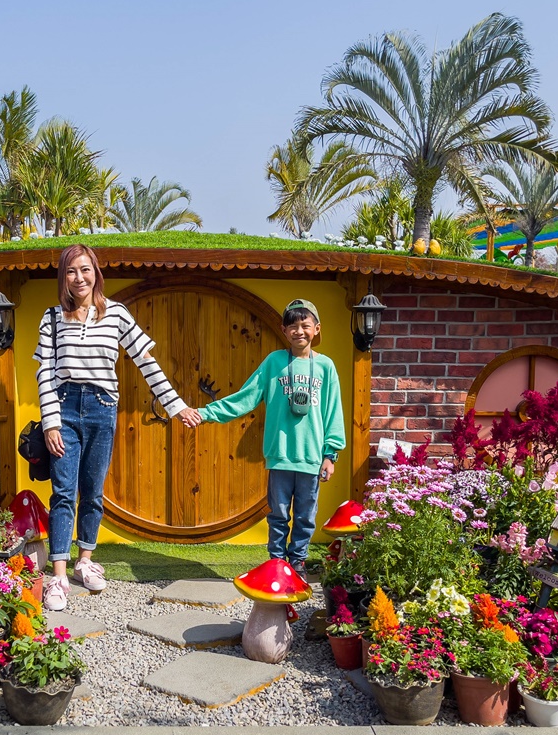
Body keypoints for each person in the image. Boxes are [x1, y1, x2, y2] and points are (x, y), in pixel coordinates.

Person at [34, 243, 201, 611]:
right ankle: (59, 577)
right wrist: (50, 422)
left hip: (102, 408)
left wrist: (176, 406)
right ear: (64, 277)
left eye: (85, 269)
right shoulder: (51, 318)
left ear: (96, 272)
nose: (79, 278)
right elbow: (44, 371)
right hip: (63, 409)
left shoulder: (118, 314)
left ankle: (85, 561)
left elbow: (147, 363)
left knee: (93, 491)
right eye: (71, 271)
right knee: (64, 491)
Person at [188, 299, 346, 576]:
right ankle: (276, 563)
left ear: (316, 329)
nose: (299, 331)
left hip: (312, 457)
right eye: (293, 326)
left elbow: (334, 411)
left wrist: (330, 454)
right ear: (284, 331)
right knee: (278, 515)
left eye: (305, 325)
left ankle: (296, 562)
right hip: (280, 454)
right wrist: (206, 413)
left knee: (305, 517)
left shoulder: (326, 367)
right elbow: (246, 397)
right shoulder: (274, 362)